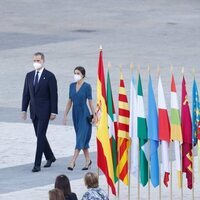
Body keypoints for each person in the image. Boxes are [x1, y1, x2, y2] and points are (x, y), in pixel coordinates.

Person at [22, 52, 58, 172]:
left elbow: (54, 95)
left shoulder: (49, 76)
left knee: (40, 136)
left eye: (38, 60)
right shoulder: (29, 75)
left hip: (45, 111)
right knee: (39, 135)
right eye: (34, 60)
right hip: (34, 111)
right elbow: (26, 94)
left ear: (43, 61)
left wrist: (53, 111)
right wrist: (24, 109)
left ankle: (37, 164)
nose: (36, 63)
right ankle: (50, 156)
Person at [63, 66, 96, 170]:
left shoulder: (87, 87)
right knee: (82, 139)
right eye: (75, 73)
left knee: (80, 138)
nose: (76, 75)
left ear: (83, 75)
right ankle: (88, 160)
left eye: (78, 73)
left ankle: (72, 161)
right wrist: (65, 114)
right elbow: (69, 101)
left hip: (84, 114)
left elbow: (90, 102)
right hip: (75, 114)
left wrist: (94, 115)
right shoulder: (71, 86)